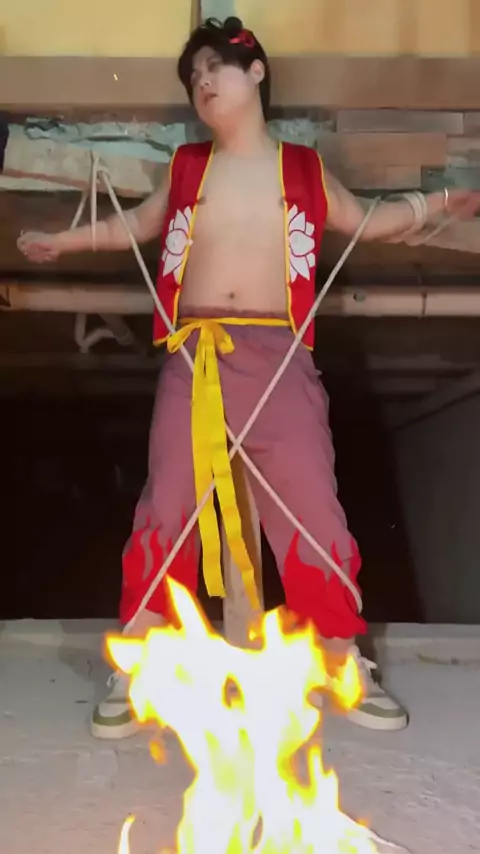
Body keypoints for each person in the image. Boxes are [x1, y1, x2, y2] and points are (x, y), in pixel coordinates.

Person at [18, 17, 480, 739]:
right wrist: (62, 241)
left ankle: (341, 656)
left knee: (312, 508)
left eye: (215, 68)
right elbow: (135, 226)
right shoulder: (186, 168)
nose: (203, 83)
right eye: (193, 78)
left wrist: (436, 204)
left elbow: (367, 220)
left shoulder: (302, 167)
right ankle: (138, 662)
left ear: (255, 71)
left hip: (279, 355)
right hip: (195, 357)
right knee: (167, 506)